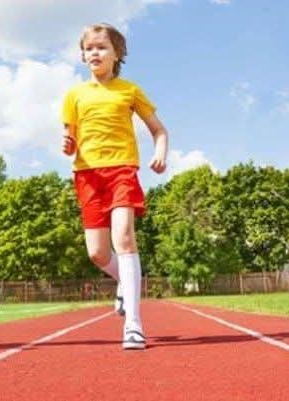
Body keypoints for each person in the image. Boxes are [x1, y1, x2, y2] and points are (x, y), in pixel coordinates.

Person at [62, 23, 169, 350]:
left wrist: (160, 152)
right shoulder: (74, 95)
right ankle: (125, 279)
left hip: (122, 170)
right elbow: (70, 135)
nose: (94, 52)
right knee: (97, 253)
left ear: (117, 53)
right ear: (83, 55)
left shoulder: (130, 90)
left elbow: (159, 130)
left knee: (123, 237)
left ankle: (133, 324)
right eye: (89, 48)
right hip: (87, 175)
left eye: (101, 47)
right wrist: (68, 143)